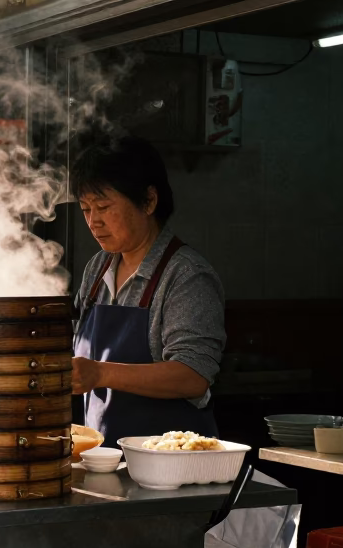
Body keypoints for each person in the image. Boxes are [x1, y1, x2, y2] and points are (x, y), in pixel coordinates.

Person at [71, 135, 226, 445]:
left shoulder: (186, 275)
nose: (93, 221)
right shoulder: (98, 267)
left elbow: (193, 375)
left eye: (103, 206)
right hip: (106, 459)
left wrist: (99, 374)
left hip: (172, 466)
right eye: (86, 208)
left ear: (149, 201)